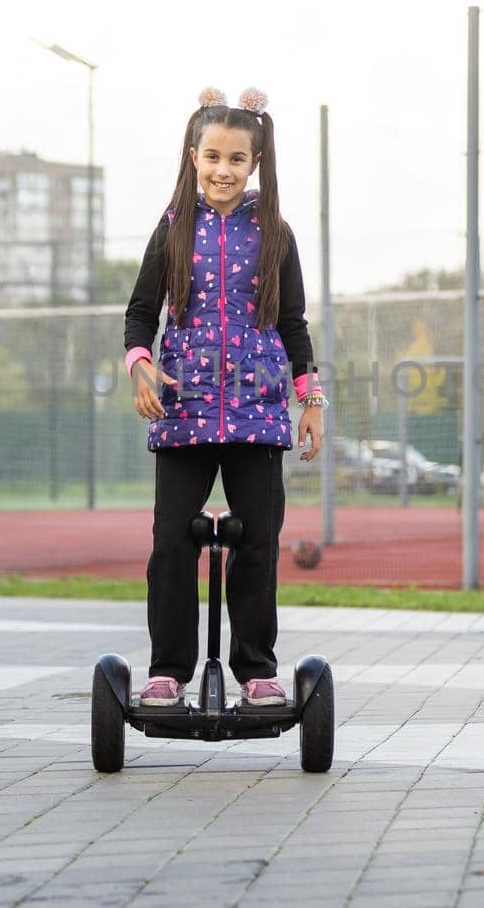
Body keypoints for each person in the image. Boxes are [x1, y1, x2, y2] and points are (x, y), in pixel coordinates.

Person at [122, 87, 326, 709]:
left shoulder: (276, 233)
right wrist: (142, 367)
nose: (223, 170)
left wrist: (310, 398)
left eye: (237, 160)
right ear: (192, 157)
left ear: (254, 164)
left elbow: (293, 322)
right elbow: (140, 313)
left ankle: (257, 670)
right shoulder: (172, 228)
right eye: (212, 156)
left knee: (259, 544)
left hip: (257, 413)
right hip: (182, 409)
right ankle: (167, 672)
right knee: (170, 546)